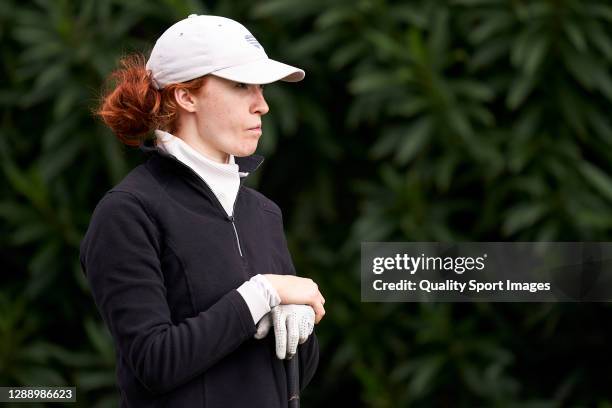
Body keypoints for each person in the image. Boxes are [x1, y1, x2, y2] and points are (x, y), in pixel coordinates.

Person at [79, 14, 326, 407]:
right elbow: (153, 363)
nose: (261, 104)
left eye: (261, 88)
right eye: (241, 85)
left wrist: (299, 322)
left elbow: (286, 378)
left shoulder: (263, 213)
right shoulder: (128, 212)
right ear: (186, 96)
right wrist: (261, 295)